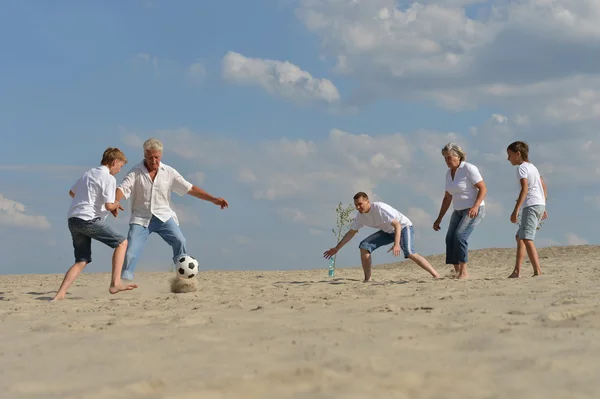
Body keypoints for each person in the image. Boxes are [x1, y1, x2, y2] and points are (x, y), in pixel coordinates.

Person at [113, 138, 229, 280]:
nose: (154, 160)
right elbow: (123, 188)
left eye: (156, 157)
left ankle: (183, 277)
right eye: (150, 157)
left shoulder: (169, 172)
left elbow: (189, 188)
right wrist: (115, 201)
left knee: (180, 241)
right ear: (144, 155)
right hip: (141, 218)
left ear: (161, 155)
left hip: (163, 217)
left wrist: (213, 199)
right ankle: (125, 279)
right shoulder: (135, 172)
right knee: (131, 250)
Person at [52, 148, 138, 301]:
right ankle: (115, 283)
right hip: (88, 219)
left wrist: (90, 200)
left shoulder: (88, 174)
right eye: (120, 166)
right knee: (122, 243)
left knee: (81, 260)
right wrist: (116, 204)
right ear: (114, 162)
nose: (119, 170)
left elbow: (72, 193)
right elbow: (109, 206)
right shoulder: (109, 178)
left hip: (73, 220)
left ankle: (60, 294)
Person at [323, 192, 440, 282]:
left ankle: (436, 275)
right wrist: (337, 248)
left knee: (409, 252)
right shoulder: (360, 217)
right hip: (387, 231)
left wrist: (396, 243)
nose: (358, 207)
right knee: (364, 246)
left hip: (404, 227)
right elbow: (351, 232)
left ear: (367, 201)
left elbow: (397, 224)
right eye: (356, 205)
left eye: (360, 204)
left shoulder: (379, 209)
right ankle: (367, 279)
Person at [433, 142, 487, 279]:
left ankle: (464, 271)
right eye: (445, 158)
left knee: (460, 236)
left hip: (473, 209)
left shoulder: (468, 168)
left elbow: (483, 188)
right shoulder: (448, 173)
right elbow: (447, 197)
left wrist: (475, 206)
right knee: (450, 238)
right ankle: (456, 271)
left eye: (449, 157)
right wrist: (439, 218)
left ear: (458, 157)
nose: (447, 161)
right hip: (458, 211)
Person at [506, 141, 548, 278]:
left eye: (510, 155)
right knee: (520, 236)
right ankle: (517, 271)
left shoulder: (522, 168)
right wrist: (543, 205)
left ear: (518, 154)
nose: (508, 158)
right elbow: (543, 186)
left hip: (531, 204)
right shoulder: (533, 167)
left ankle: (537, 271)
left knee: (527, 238)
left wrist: (515, 210)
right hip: (538, 204)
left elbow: (525, 188)